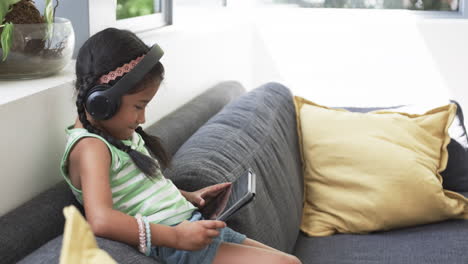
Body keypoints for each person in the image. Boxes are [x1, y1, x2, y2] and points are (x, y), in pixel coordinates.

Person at [60, 27, 301, 264]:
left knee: (290, 261)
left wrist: (188, 196)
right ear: (102, 102)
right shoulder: (91, 147)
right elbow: (101, 219)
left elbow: (142, 191)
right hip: (174, 242)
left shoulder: (117, 135)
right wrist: (176, 237)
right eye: (138, 106)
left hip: (190, 227)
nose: (142, 118)